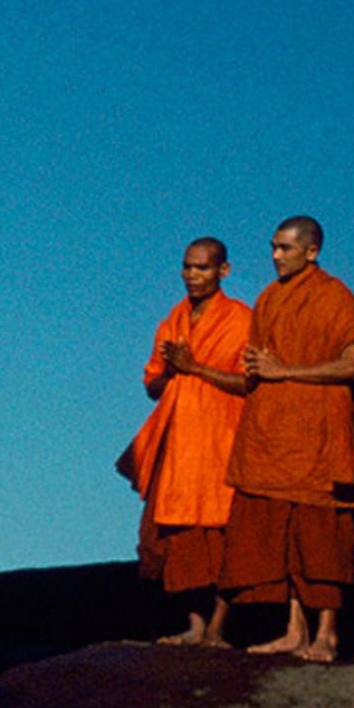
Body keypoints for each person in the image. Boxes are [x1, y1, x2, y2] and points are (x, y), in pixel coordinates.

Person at [227, 216, 354, 661]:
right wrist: (259, 368)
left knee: (321, 536)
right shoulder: (268, 298)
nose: (275, 256)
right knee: (281, 534)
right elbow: (259, 365)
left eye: (285, 248)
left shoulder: (334, 296)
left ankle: (326, 634)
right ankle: (294, 629)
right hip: (273, 432)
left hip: (318, 434)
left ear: (311, 252)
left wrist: (285, 371)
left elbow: (351, 366)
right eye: (273, 247)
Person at [124, 237, 253, 645]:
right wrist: (171, 372)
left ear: (223, 271)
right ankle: (195, 625)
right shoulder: (173, 320)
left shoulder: (241, 319)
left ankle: (218, 627)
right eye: (187, 267)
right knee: (177, 541)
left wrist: (194, 367)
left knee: (219, 535)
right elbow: (152, 384)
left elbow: (251, 382)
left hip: (219, 440)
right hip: (177, 442)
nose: (192, 276)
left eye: (202, 268)